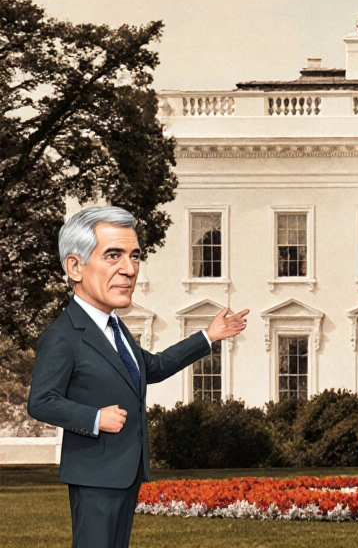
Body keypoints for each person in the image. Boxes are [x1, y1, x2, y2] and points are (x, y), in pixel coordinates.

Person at [27, 206, 249, 548]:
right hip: (95, 473)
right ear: (75, 266)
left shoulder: (116, 329)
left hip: (126, 470)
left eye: (134, 256)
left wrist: (208, 337)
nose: (129, 270)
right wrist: (95, 418)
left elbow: (153, 367)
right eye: (113, 256)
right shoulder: (63, 336)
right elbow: (41, 401)